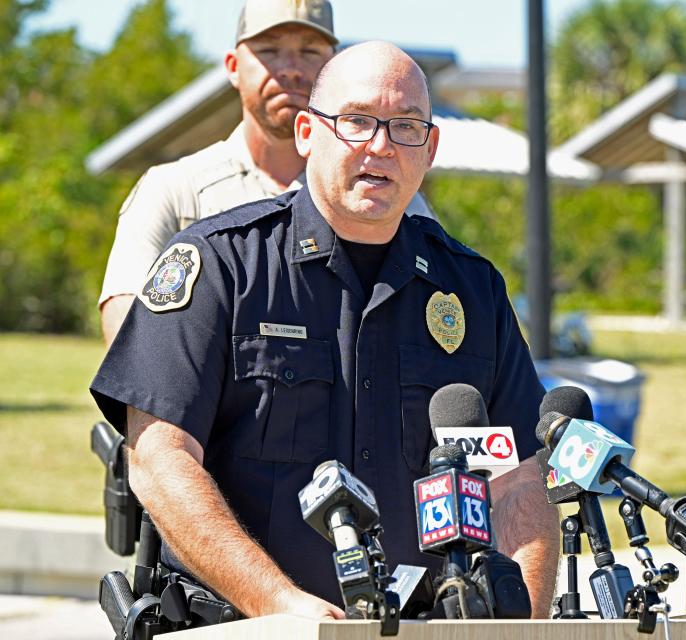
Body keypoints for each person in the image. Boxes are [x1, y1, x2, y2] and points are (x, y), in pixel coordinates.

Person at [90, 41, 559, 621]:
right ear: (308, 133)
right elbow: (160, 458)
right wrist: (279, 605)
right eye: (357, 121)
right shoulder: (221, 266)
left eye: (406, 126)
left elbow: (515, 483)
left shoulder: (473, 291)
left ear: (430, 147)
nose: (380, 146)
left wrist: (523, 630)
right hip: (249, 625)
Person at [97, 0, 434, 346]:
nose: (290, 69)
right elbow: (128, 335)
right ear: (233, 66)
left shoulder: (387, 195)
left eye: (309, 51)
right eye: (269, 50)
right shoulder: (174, 189)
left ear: (333, 65)